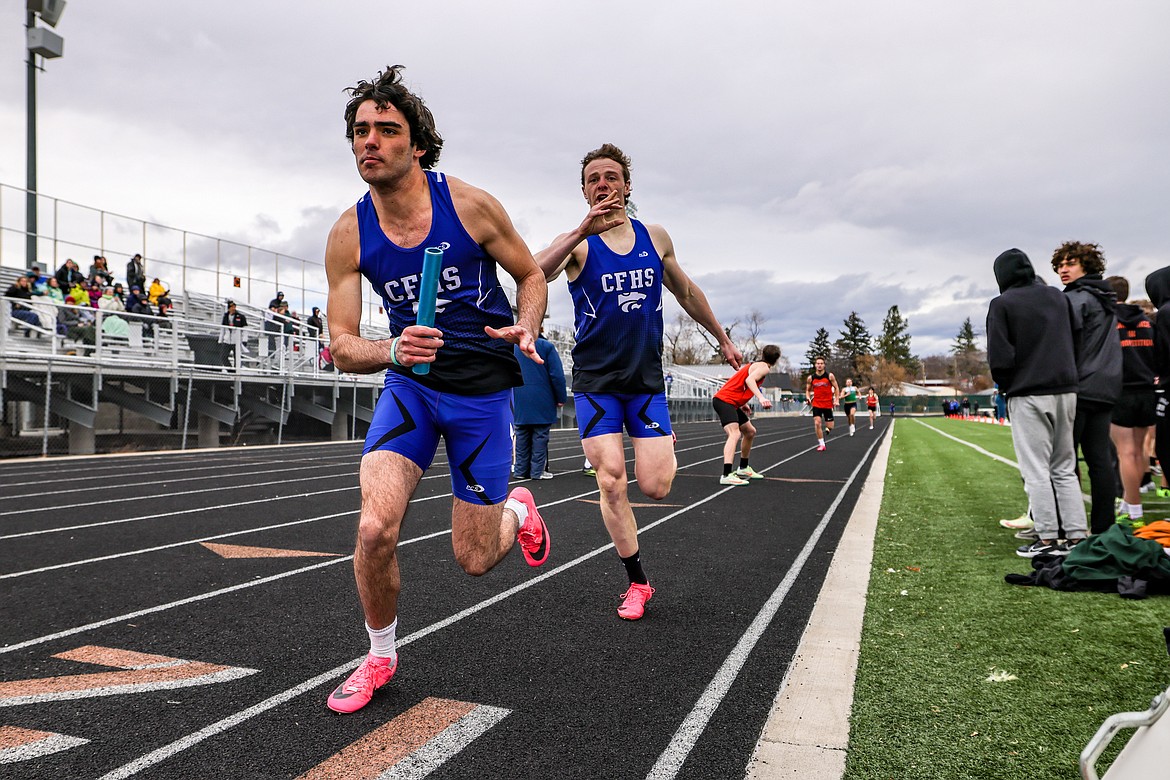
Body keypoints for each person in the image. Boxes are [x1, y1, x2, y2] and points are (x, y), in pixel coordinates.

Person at [323, 65, 551, 715]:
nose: (370, 142)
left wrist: (527, 326)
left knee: (476, 559)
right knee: (374, 528)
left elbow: (531, 275)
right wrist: (391, 349)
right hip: (411, 389)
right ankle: (379, 655)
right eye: (361, 131)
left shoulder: (470, 206)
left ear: (417, 145)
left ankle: (517, 510)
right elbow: (340, 344)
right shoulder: (349, 232)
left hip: (481, 393)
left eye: (386, 131)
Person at [535, 142, 742, 621]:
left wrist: (722, 340)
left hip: (646, 382)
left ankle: (662, 440)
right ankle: (637, 583)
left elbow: (686, 291)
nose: (602, 184)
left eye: (611, 176)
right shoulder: (579, 243)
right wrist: (578, 231)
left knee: (657, 487)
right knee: (611, 481)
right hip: (596, 383)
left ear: (627, 185)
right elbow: (533, 273)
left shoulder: (656, 236)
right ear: (584, 190)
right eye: (593, 179)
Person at [986, 248, 1087, 557]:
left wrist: (1008, 387)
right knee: (1065, 467)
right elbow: (1077, 339)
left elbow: (1000, 357)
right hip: (1066, 388)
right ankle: (1076, 535)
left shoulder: (1002, 304)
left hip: (1028, 391)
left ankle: (1046, 538)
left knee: (1036, 469)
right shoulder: (1058, 297)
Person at [1052, 241, 1122, 535]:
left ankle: (1066, 525)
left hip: (1080, 386)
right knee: (1099, 460)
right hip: (1106, 386)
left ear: (1087, 265)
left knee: (1064, 461)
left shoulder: (1077, 299)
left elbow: (1062, 344)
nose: (1063, 270)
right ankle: (1103, 527)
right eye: (1060, 265)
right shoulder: (1106, 297)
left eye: (1071, 263)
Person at [1107, 275, 1157, 526]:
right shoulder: (1146, 321)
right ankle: (1129, 502)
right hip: (1147, 390)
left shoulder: (1109, 322)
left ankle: (1134, 510)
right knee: (1139, 452)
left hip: (1123, 392)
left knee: (1126, 453)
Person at [712, 345, 779, 485]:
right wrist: (761, 398)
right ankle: (726, 474)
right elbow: (749, 380)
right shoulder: (764, 368)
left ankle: (743, 467)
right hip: (724, 401)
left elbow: (739, 383)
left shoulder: (754, 364)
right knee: (734, 434)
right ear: (776, 359)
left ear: (763, 354)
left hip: (730, 401)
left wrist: (742, 403)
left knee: (750, 432)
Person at [512, 327, 568, 480]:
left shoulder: (514, 348)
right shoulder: (546, 346)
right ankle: (537, 472)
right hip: (543, 398)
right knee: (540, 436)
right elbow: (557, 376)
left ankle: (520, 471)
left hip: (520, 399)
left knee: (521, 434)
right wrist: (561, 397)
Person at [805, 357, 839, 451]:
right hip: (817, 404)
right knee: (817, 423)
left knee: (830, 426)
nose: (819, 365)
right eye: (818, 363)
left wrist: (836, 399)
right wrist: (808, 397)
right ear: (815, 365)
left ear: (824, 365)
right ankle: (822, 444)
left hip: (827, 404)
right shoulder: (811, 378)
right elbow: (807, 390)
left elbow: (836, 388)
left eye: (821, 363)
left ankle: (828, 429)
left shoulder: (829, 376)